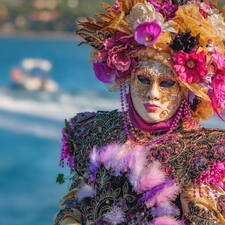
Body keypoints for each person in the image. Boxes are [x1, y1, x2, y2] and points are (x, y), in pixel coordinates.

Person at [54, 0, 225, 224]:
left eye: (166, 83)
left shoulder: (206, 153)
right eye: (143, 80)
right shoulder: (95, 130)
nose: (153, 94)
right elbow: (76, 202)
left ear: (186, 89)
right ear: (128, 79)